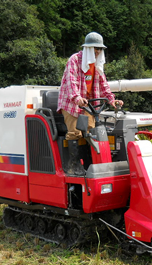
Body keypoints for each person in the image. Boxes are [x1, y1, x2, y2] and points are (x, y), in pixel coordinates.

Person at [57, 32, 123, 175]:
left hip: (88, 103)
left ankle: (89, 164)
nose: (98, 51)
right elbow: (71, 82)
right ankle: (73, 165)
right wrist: (77, 98)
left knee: (91, 130)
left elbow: (103, 85)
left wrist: (112, 99)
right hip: (71, 102)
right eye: (95, 48)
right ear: (87, 48)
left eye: (100, 49)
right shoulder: (74, 60)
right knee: (75, 132)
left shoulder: (97, 65)